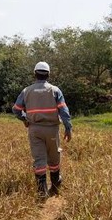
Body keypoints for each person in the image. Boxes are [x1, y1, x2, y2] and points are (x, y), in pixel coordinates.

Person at [12, 61, 72, 199]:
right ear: (48, 74)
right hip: (52, 129)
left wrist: (25, 119)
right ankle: (55, 186)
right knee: (54, 158)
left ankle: (41, 192)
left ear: (35, 74)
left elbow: (16, 109)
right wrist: (68, 128)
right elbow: (64, 110)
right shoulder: (55, 90)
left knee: (39, 159)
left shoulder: (26, 91)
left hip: (34, 130)